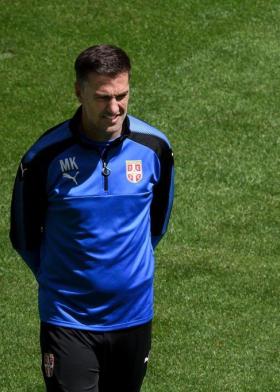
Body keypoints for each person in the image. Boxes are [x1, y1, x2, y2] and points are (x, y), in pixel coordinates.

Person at [10, 44, 174, 392]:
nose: (115, 108)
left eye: (122, 95)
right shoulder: (43, 158)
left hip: (133, 316)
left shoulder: (155, 149)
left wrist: (127, 274)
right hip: (69, 319)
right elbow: (23, 236)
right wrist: (61, 280)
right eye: (103, 97)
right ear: (78, 91)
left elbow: (157, 224)